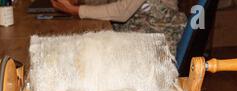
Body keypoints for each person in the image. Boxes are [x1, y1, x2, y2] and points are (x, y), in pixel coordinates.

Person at [50, 0, 187, 54]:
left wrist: (76, 10)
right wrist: (79, 1)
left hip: (156, 43)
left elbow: (122, 11)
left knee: (90, 50)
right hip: (138, 32)